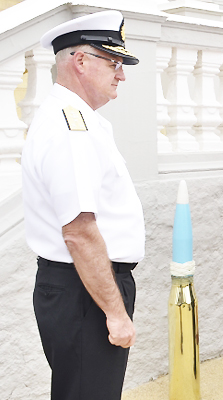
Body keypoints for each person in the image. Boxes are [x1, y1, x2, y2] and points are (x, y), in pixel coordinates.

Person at [22, 10, 143, 400]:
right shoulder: (69, 127)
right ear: (80, 61)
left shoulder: (80, 120)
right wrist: (115, 312)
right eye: (114, 61)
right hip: (84, 292)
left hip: (84, 287)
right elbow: (78, 232)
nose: (121, 73)